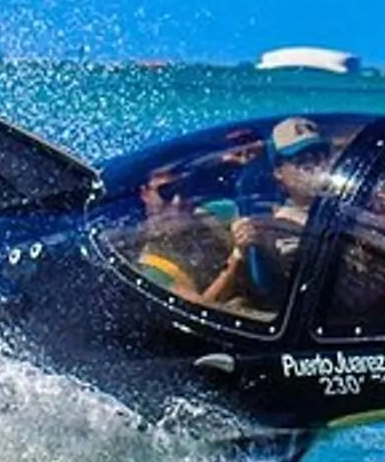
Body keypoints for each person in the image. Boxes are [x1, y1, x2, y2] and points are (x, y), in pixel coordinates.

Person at [203, 116, 334, 315]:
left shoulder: (349, 208)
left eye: (320, 156)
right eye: (302, 161)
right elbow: (210, 306)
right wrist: (239, 255)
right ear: (278, 172)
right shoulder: (264, 229)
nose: (315, 167)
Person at [131, 163, 230, 299]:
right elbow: (197, 306)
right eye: (166, 192)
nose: (177, 201)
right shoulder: (151, 266)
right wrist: (235, 265)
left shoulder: (208, 218)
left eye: (183, 189)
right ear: (145, 193)